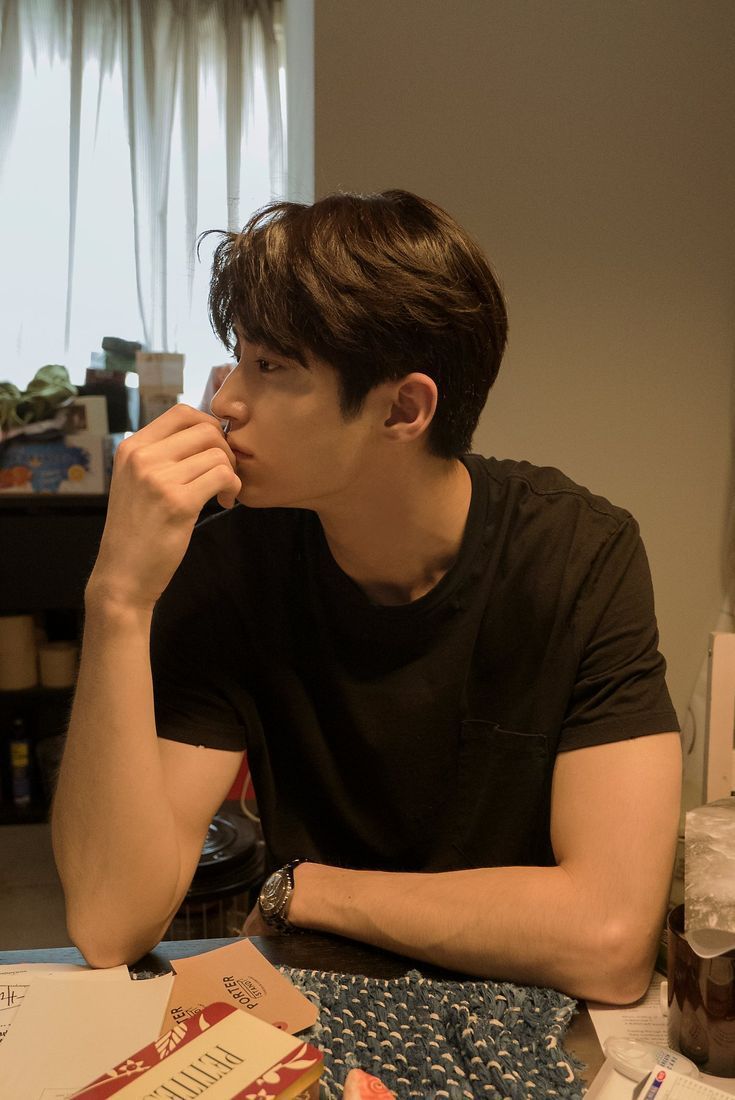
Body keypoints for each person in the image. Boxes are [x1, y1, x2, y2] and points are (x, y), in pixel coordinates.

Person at [52, 190, 681, 1004]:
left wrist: (302, 890)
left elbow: (607, 941)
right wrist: (117, 599)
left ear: (403, 409)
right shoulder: (232, 561)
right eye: (238, 358)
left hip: (530, 1015)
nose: (226, 404)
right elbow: (109, 923)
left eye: (271, 367)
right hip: (316, 1010)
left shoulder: (576, 557)